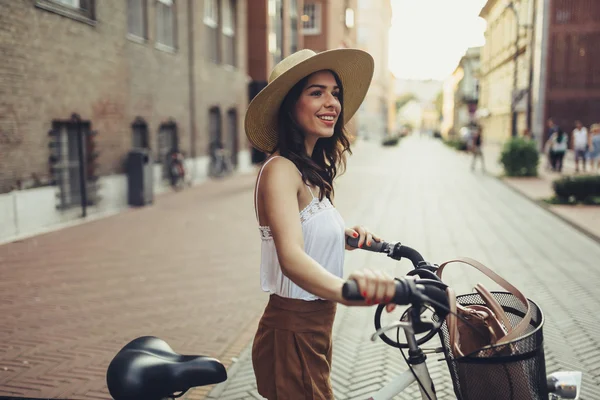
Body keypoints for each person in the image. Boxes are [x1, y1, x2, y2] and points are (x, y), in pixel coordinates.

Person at [245, 49, 398, 399]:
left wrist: (343, 236)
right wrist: (351, 291)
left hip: (312, 330)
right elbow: (291, 256)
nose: (332, 102)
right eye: (316, 92)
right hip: (293, 333)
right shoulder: (281, 169)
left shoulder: (308, 171)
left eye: (335, 93)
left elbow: (299, 229)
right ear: (289, 105)